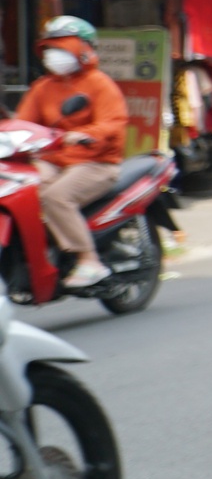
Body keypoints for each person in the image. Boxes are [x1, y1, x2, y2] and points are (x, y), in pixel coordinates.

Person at [15, 16, 128, 290]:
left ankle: (89, 260)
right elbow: (23, 123)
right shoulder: (42, 87)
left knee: (56, 197)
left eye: (63, 47)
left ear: (83, 50)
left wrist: (86, 134)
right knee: (19, 189)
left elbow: (113, 122)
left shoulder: (99, 83)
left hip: (95, 161)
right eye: (50, 47)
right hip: (54, 160)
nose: (55, 54)